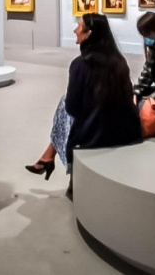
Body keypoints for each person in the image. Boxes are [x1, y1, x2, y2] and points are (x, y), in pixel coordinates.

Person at [25, 14, 142, 197]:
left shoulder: (81, 65)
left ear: (89, 33)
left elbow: (72, 107)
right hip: (125, 129)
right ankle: (47, 158)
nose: (75, 30)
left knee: (65, 107)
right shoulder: (120, 62)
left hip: (95, 134)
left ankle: (63, 171)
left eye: (79, 26)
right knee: (65, 104)